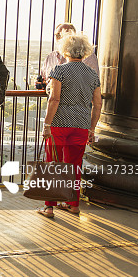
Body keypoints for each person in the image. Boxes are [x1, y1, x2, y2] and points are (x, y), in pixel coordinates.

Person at [36, 32, 101, 218]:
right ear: (85, 51)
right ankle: (73, 205)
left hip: (59, 123)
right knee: (74, 165)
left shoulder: (59, 70)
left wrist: (47, 124)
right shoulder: (92, 74)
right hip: (81, 125)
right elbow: (98, 104)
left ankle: (49, 207)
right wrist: (92, 128)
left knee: (53, 164)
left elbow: (54, 99)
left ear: (65, 50)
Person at [37, 22, 99, 88]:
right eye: (57, 35)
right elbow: (44, 79)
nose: (60, 38)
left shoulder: (88, 56)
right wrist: (42, 84)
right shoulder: (50, 57)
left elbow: (92, 84)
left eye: (65, 34)